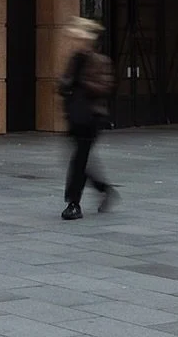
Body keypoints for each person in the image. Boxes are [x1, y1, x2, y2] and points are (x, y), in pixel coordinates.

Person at [57, 17, 117, 220]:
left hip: (92, 117)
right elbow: (65, 84)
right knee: (81, 160)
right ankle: (104, 190)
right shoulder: (75, 59)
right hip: (75, 117)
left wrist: (82, 84)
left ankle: (74, 204)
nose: (77, 42)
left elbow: (105, 86)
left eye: (81, 38)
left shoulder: (100, 61)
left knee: (78, 160)